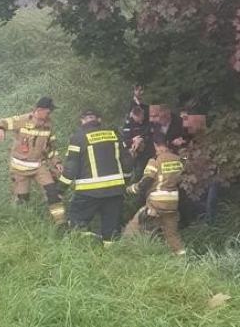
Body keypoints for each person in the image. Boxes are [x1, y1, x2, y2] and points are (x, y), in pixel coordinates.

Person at [59, 109, 132, 245]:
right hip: (115, 190)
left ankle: (85, 249)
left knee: (77, 222)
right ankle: (111, 255)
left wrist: (60, 189)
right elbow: (127, 162)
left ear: (82, 120)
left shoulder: (78, 138)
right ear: (99, 120)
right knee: (112, 228)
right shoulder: (114, 135)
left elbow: (71, 168)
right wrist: (125, 182)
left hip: (88, 191)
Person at [0, 98, 65, 226]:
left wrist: (57, 162)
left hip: (38, 166)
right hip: (20, 168)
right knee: (22, 200)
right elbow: (0, 121)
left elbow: (51, 148)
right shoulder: (23, 120)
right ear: (39, 110)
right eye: (48, 112)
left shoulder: (48, 126)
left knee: (52, 192)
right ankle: (19, 225)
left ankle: (61, 224)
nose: (49, 115)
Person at [124, 129, 185, 256]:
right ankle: (182, 257)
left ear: (155, 145)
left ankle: (125, 250)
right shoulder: (178, 159)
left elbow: (146, 181)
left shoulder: (155, 160)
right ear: (167, 143)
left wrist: (131, 189)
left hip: (156, 203)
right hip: (173, 204)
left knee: (134, 226)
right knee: (172, 234)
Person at [122, 105, 153, 182]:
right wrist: (133, 141)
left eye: (143, 115)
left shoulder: (146, 123)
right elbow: (124, 142)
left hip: (147, 152)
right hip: (134, 154)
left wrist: (141, 139)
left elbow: (149, 134)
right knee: (137, 173)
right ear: (135, 116)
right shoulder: (128, 125)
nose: (142, 118)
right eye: (140, 116)